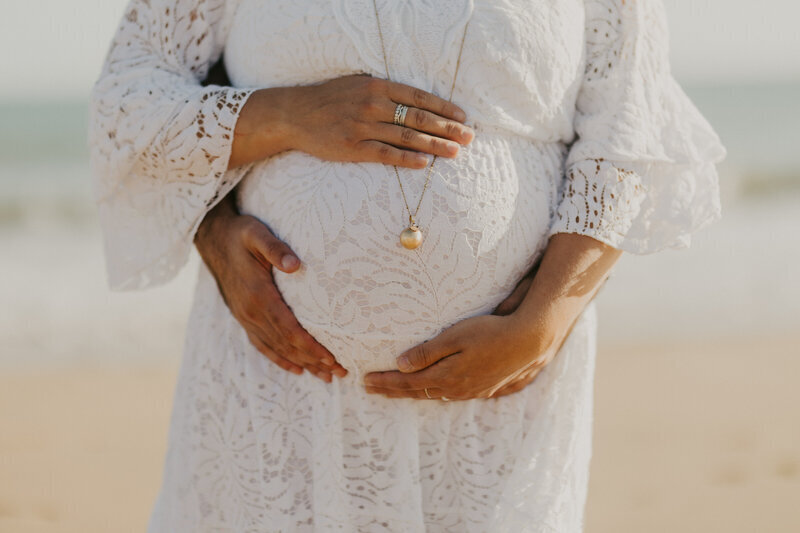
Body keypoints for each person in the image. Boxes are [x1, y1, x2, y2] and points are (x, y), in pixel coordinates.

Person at [88, 0, 726, 531]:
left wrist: (546, 319)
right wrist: (270, 137)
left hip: (496, 407)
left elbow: (632, 122)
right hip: (280, 392)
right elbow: (127, 101)